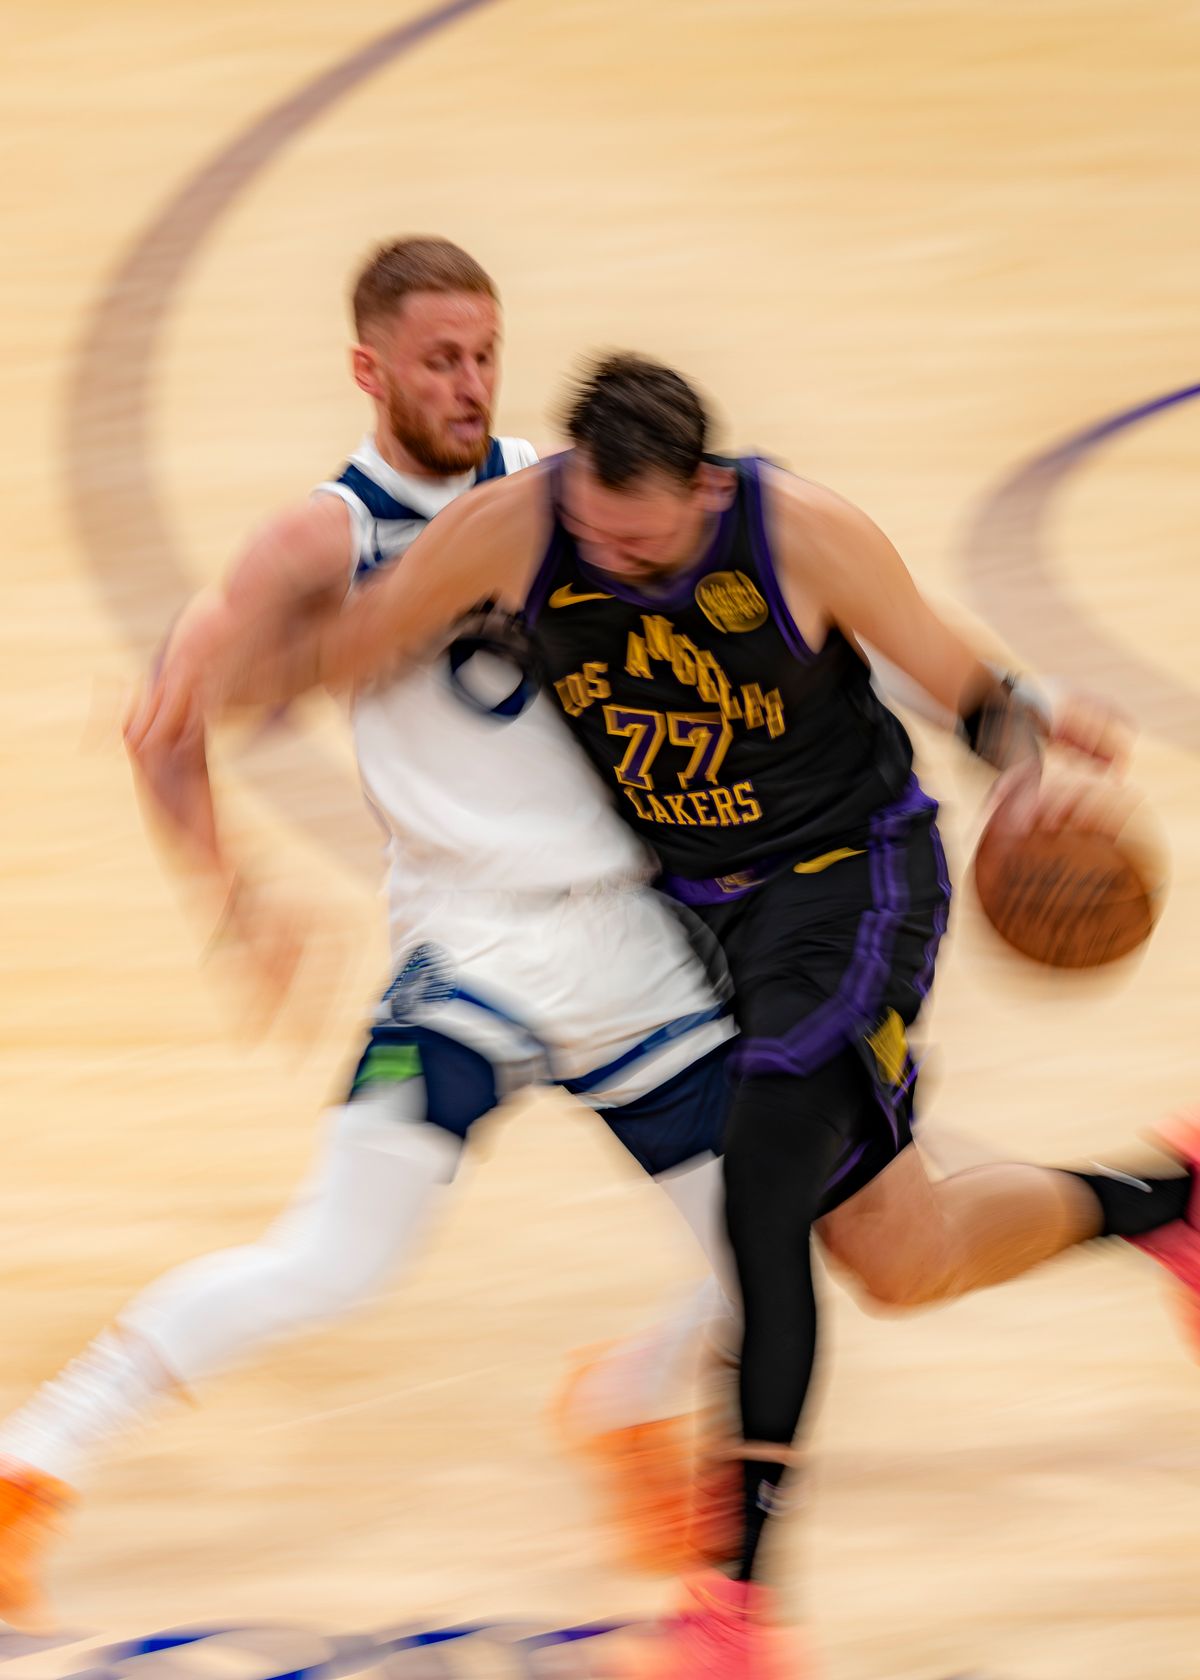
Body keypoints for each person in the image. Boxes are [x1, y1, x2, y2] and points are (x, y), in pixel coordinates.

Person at [166, 350, 1199, 1676]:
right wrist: (204, 672)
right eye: (596, 532)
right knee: (901, 1253)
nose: (616, 559)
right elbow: (350, 647)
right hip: (696, 916)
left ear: (707, 491)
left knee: (762, 1191)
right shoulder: (517, 531)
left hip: (849, 882)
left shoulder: (803, 534)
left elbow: (973, 689)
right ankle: (1168, 1199)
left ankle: (735, 1605)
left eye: (644, 541)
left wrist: (1026, 774)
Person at [0, 248, 748, 1630]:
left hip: (633, 948)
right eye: (438, 360)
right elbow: (162, 719)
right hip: (471, 954)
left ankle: (623, 1404)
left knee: (777, 1238)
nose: (469, 385)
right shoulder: (323, 538)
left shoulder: (558, 487)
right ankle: (30, 1460)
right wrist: (234, 901)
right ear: (371, 370)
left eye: (485, 353)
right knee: (335, 1259)